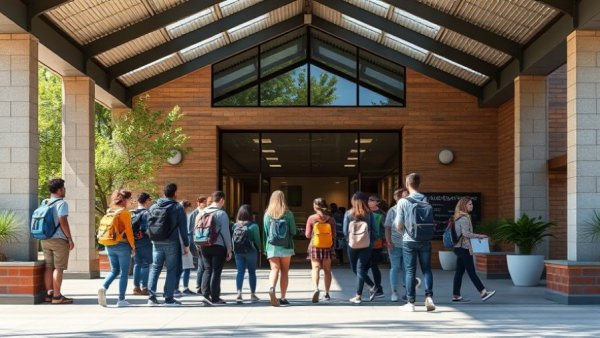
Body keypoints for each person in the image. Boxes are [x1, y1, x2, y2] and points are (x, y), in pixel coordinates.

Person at [396, 173, 435, 312]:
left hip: (409, 240)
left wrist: (404, 234)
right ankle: (429, 297)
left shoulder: (403, 201)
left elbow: (398, 224)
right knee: (427, 269)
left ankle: (411, 302)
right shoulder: (426, 199)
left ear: (407, 184)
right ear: (419, 184)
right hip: (425, 239)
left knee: (410, 270)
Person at [147, 183, 190, 306]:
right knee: (171, 270)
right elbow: (183, 229)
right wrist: (186, 246)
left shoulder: (154, 206)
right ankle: (168, 298)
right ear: (175, 193)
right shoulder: (177, 207)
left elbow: (148, 223)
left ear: (164, 193)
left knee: (155, 268)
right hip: (171, 242)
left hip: (156, 241)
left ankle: (151, 298)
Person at [452, 197, 496, 303]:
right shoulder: (464, 218)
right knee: (471, 271)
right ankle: (483, 292)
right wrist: (479, 236)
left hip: (458, 248)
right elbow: (466, 234)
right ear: (464, 206)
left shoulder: (458, 217)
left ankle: (456, 295)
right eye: (470, 204)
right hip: (463, 248)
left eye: (472, 204)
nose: (472, 206)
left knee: (459, 272)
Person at [98, 190, 136, 307]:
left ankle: (103, 287)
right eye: (130, 199)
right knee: (124, 273)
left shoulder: (110, 211)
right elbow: (129, 231)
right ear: (125, 200)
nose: (131, 201)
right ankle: (121, 300)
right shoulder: (124, 213)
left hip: (109, 244)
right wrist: (133, 246)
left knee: (114, 270)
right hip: (122, 245)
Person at [41, 178, 75, 304]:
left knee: (49, 267)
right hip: (59, 239)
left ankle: (49, 294)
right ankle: (57, 296)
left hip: (45, 238)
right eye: (63, 188)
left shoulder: (45, 202)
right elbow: (63, 220)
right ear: (60, 190)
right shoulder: (62, 203)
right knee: (59, 268)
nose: (64, 190)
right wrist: (70, 239)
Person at [385, 188, 422, 302]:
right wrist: (388, 242)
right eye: (401, 196)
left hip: (408, 243)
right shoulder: (392, 211)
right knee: (395, 268)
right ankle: (394, 292)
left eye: (405, 196)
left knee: (407, 269)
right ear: (396, 198)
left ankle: (408, 291)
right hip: (395, 244)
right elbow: (387, 227)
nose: (403, 199)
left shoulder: (411, 209)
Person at [263, 190, 296, 307]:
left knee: (274, 269)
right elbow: (293, 231)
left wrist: (265, 247)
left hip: (272, 246)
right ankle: (283, 297)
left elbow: (266, 232)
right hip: (286, 246)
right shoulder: (288, 214)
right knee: (285, 272)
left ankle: (272, 287)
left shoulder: (267, 214)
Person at [199, 191, 233, 304]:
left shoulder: (202, 212)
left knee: (207, 269)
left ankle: (205, 295)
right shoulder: (221, 214)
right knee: (216, 271)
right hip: (218, 245)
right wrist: (229, 248)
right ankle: (215, 297)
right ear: (222, 200)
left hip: (204, 244)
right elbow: (225, 232)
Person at [344, 192, 376, 304]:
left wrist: (349, 240)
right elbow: (374, 230)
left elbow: (345, 231)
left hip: (352, 244)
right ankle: (364, 291)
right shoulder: (370, 214)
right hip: (367, 244)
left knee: (355, 269)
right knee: (361, 269)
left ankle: (366, 289)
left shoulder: (348, 214)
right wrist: (371, 241)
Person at [305, 198, 336, 303]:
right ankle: (327, 293)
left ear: (315, 206)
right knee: (327, 270)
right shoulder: (330, 219)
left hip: (315, 246)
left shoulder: (311, 218)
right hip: (328, 246)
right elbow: (334, 234)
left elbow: (308, 235)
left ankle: (316, 288)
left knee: (316, 268)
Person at [232, 204, 261, 304]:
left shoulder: (235, 226)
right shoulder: (253, 226)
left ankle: (239, 293)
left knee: (240, 272)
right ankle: (252, 294)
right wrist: (260, 249)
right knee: (252, 272)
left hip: (238, 251)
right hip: (251, 251)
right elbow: (257, 240)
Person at [132, 192, 153, 296]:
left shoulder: (132, 212)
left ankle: (136, 287)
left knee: (137, 264)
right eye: (149, 200)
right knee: (145, 264)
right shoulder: (147, 213)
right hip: (144, 241)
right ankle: (144, 287)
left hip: (133, 242)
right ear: (146, 201)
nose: (150, 202)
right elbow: (147, 228)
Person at [174, 200, 196, 297]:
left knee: (179, 268)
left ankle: (176, 288)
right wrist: (186, 247)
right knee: (186, 267)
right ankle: (184, 288)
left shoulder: (175, 216)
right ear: (186, 208)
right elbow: (185, 232)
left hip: (176, 244)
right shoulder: (184, 216)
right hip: (184, 244)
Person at [367, 194, 385, 299]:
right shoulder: (366, 212)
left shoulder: (382, 214)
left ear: (377, 202)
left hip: (376, 243)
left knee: (374, 266)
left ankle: (377, 288)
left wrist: (383, 240)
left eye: (371, 200)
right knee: (364, 267)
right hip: (365, 242)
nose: (369, 202)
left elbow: (384, 228)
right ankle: (375, 288)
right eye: (368, 200)